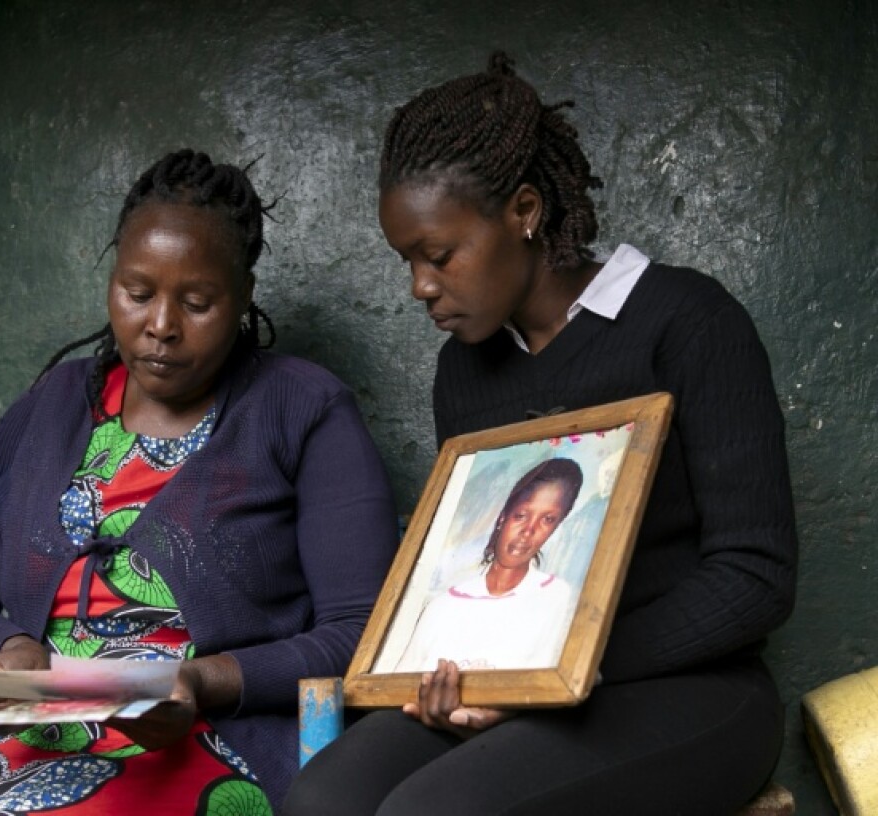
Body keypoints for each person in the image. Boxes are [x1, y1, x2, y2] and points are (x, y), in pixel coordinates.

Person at [283, 53, 797, 816]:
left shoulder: (686, 320)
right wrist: (464, 678)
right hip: (515, 684)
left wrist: (556, 675)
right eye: (407, 261)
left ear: (524, 210)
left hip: (691, 689)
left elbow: (756, 579)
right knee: (320, 802)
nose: (421, 286)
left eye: (439, 254)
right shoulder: (463, 373)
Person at [0, 149, 399, 815]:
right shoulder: (50, 408)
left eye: (197, 302)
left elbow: (359, 629)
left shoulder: (303, 409)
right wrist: (11, 652)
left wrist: (197, 681)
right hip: (27, 735)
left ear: (242, 297)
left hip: (207, 739)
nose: (161, 325)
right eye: (137, 293)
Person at [391, 458, 582, 673]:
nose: (529, 530)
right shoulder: (443, 606)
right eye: (521, 515)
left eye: (547, 520)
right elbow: (398, 685)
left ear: (556, 527)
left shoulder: (557, 598)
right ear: (502, 518)